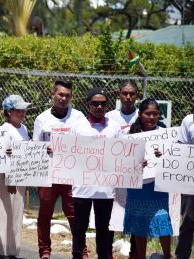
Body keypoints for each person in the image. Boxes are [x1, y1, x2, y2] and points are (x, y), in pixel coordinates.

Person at [33, 80, 85, 259]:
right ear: (53, 95)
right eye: (60, 94)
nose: (63, 98)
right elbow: (35, 147)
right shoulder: (42, 118)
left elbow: (85, 144)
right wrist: (43, 149)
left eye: (67, 95)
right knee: (45, 214)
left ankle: (81, 251)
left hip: (71, 175)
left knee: (74, 215)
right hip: (48, 175)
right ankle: (45, 250)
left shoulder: (78, 117)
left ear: (71, 97)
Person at [71, 87, 121, 259]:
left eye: (103, 104)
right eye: (95, 104)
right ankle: (77, 256)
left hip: (105, 188)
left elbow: (123, 154)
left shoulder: (115, 128)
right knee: (79, 227)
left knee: (103, 228)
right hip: (82, 186)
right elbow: (68, 153)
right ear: (87, 104)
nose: (99, 107)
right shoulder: (77, 126)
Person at [0, 95, 31, 259]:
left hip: (20, 179)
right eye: (18, 110)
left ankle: (11, 251)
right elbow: (1, 157)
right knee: (3, 214)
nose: (22, 113)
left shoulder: (23, 128)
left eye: (23, 110)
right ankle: (0, 252)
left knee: (16, 215)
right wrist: (9, 179)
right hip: (7, 180)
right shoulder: (4, 129)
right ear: (9, 112)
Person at [123, 98, 172, 259]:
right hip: (138, 187)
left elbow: (173, 158)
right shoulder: (130, 134)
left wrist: (163, 154)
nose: (151, 117)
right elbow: (122, 160)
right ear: (140, 114)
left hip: (158, 186)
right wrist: (136, 160)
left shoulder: (165, 134)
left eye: (155, 114)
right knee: (139, 223)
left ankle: (167, 256)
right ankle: (141, 256)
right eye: (147, 113)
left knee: (163, 220)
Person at [105, 79, 139, 258]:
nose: (128, 97)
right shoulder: (110, 116)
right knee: (112, 210)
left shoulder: (142, 115)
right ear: (119, 95)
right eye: (124, 93)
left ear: (137, 95)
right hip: (114, 171)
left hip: (136, 173)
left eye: (131, 93)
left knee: (134, 209)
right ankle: (107, 251)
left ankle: (135, 252)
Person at [175, 113, 194, 259]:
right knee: (188, 219)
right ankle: (182, 255)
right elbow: (181, 148)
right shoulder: (188, 120)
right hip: (191, 179)